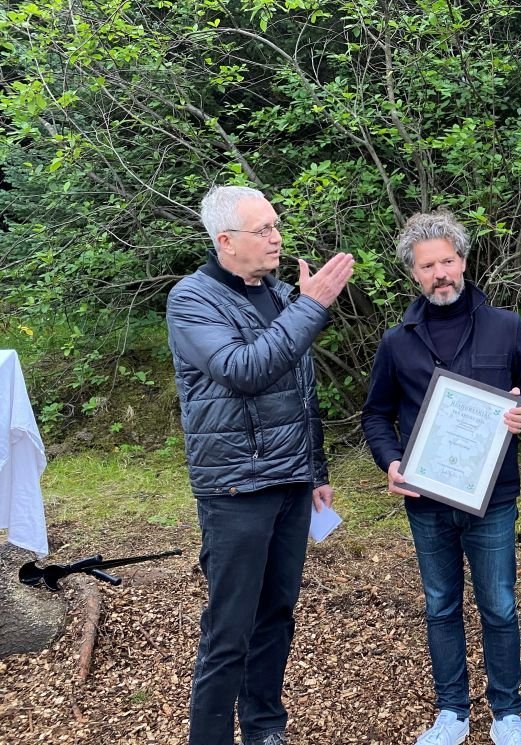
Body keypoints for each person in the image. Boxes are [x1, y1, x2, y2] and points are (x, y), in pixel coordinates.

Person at [167, 185, 354, 745]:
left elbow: (301, 394)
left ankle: (265, 728)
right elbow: (244, 370)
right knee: (230, 630)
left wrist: (315, 471)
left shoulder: (279, 294)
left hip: (291, 482)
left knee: (276, 614)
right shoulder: (192, 300)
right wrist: (311, 306)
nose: (276, 238)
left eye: (276, 226)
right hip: (235, 490)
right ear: (225, 241)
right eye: (263, 229)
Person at [361, 210, 521, 745]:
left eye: (446, 261)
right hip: (427, 496)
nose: (440, 273)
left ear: (462, 261)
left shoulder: (505, 326)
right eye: (427, 266)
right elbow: (376, 414)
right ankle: (452, 712)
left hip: (493, 496)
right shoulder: (398, 341)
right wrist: (391, 462)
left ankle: (507, 713)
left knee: (499, 605)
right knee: (440, 604)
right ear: (414, 274)